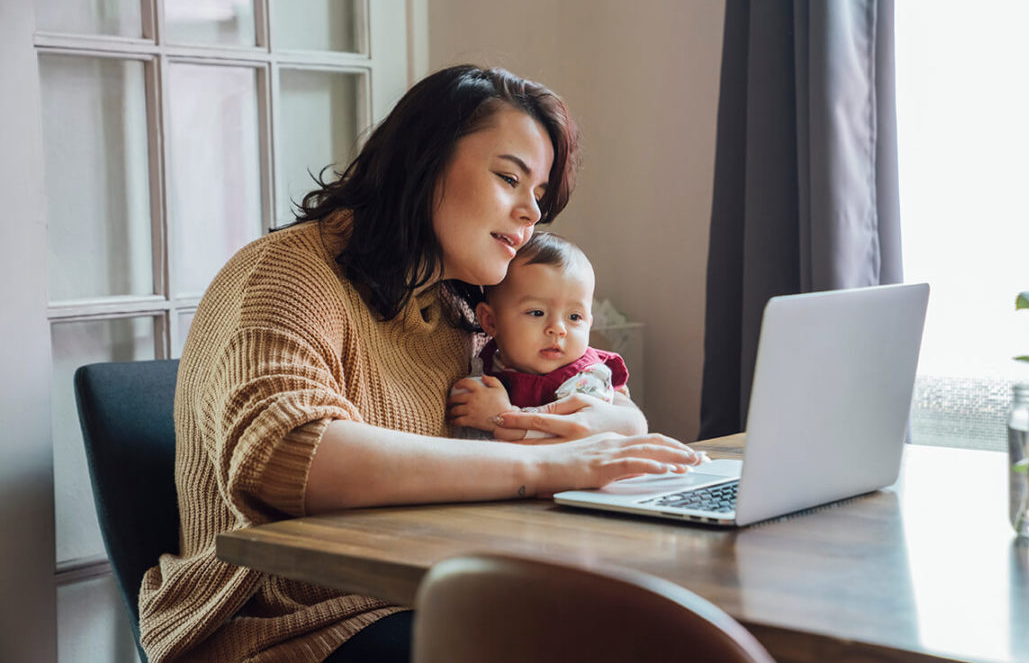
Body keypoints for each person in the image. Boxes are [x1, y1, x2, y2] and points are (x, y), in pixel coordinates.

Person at [138, 65, 704, 663]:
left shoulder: (454, 311)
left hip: (423, 590)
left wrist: (603, 430)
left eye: (538, 196)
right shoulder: (286, 275)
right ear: (424, 162)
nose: (530, 213)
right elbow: (286, 456)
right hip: (285, 625)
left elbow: (616, 413)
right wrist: (547, 464)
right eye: (509, 178)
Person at [448, 231, 629, 441]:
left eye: (574, 316)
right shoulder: (487, 364)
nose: (558, 329)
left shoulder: (585, 379)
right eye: (537, 313)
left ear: (589, 323)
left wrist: (501, 417)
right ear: (490, 321)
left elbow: (574, 436)